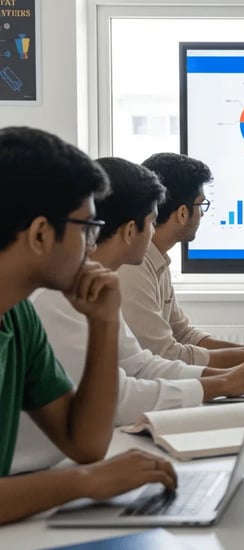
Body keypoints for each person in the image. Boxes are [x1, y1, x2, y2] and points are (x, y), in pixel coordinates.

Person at [13, 157, 244, 474]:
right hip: (41, 478)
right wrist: (220, 383)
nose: (91, 243)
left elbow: (137, 368)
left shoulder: (50, 305)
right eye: (86, 229)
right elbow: (118, 402)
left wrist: (229, 378)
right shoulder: (53, 300)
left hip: (56, 470)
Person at [0, 126, 175, 525]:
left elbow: (86, 443)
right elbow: (88, 466)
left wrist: (104, 323)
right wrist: (83, 483)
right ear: (42, 234)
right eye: (87, 229)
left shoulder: (18, 317)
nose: (93, 246)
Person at [118, 152, 244, 367]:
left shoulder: (158, 259)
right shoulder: (133, 266)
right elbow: (165, 354)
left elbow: (183, 334)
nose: (203, 214)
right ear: (182, 213)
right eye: (201, 205)